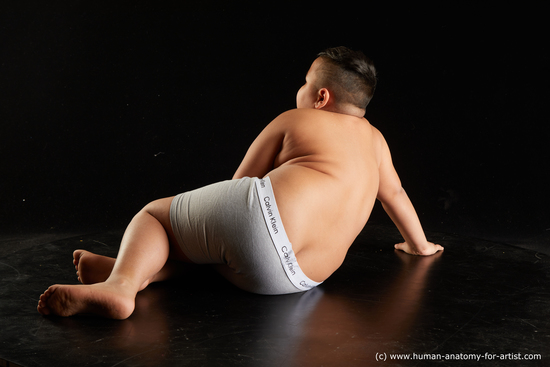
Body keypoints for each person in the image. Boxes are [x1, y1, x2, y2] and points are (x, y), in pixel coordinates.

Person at [37, 46, 443, 319]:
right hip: (295, 281)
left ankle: (121, 286)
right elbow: (395, 194)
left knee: (157, 217)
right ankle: (140, 272)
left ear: (321, 97)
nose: (298, 89)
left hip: (259, 223)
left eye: (303, 82)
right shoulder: (376, 140)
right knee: (215, 259)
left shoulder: (296, 117)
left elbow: (239, 183)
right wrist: (419, 246)